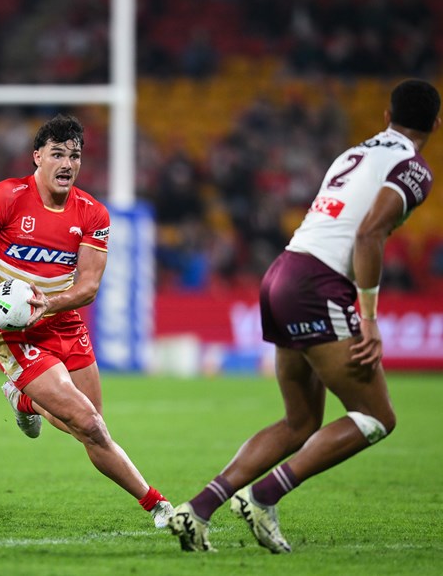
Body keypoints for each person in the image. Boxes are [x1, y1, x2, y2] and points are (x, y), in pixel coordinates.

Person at [168, 79, 440, 553]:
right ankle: (264, 495)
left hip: (281, 273)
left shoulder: (352, 154)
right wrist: (370, 319)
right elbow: (369, 233)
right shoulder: (412, 168)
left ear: (384, 116)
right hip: (317, 285)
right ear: (436, 124)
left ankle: (198, 509)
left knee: (300, 422)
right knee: (376, 416)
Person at [0, 114, 174, 529]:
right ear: (37, 157)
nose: (67, 163)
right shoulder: (6, 198)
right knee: (88, 425)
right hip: (16, 334)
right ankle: (160, 507)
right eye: (58, 154)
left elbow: (89, 287)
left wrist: (44, 304)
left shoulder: (93, 213)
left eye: (75, 155)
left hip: (65, 326)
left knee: (92, 426)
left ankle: (24, 399)